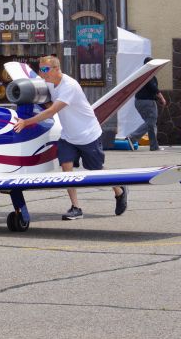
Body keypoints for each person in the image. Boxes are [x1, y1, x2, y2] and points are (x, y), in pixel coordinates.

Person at [13, 55, 128, 220]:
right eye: (40, 69)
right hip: (68, 136)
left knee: (96, 171)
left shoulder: (70, 86)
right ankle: (76, 208)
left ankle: (119, 190)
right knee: (66, 171)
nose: (42, 73)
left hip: (88, 134)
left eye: (45, 69)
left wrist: (26, 122)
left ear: (56, 69)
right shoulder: (49, 83)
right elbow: (44, 101)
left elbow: (52, 111)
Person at [126, 57, 167, 151]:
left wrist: (157, 99)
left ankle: (154, 146)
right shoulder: (148, 75)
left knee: (151, 124)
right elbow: (153, 88)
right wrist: (162, 98)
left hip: (139, 101)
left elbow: (147, 90)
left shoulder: (142, 74)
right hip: (147, 102)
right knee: (151, 122)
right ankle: (132, 137)